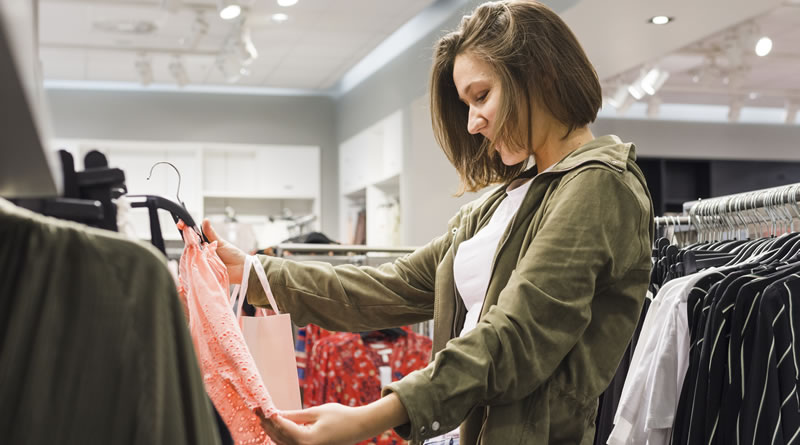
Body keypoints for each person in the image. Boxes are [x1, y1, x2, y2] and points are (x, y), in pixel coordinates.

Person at [204, 1, 654, 444]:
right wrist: (252, 271)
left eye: (481, 96)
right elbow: (389, 288)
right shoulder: (504, 202)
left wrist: (367, 419)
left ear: (541, 76)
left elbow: (516, 339)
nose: (474, 123)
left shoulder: (600, 184)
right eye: (467, 104)